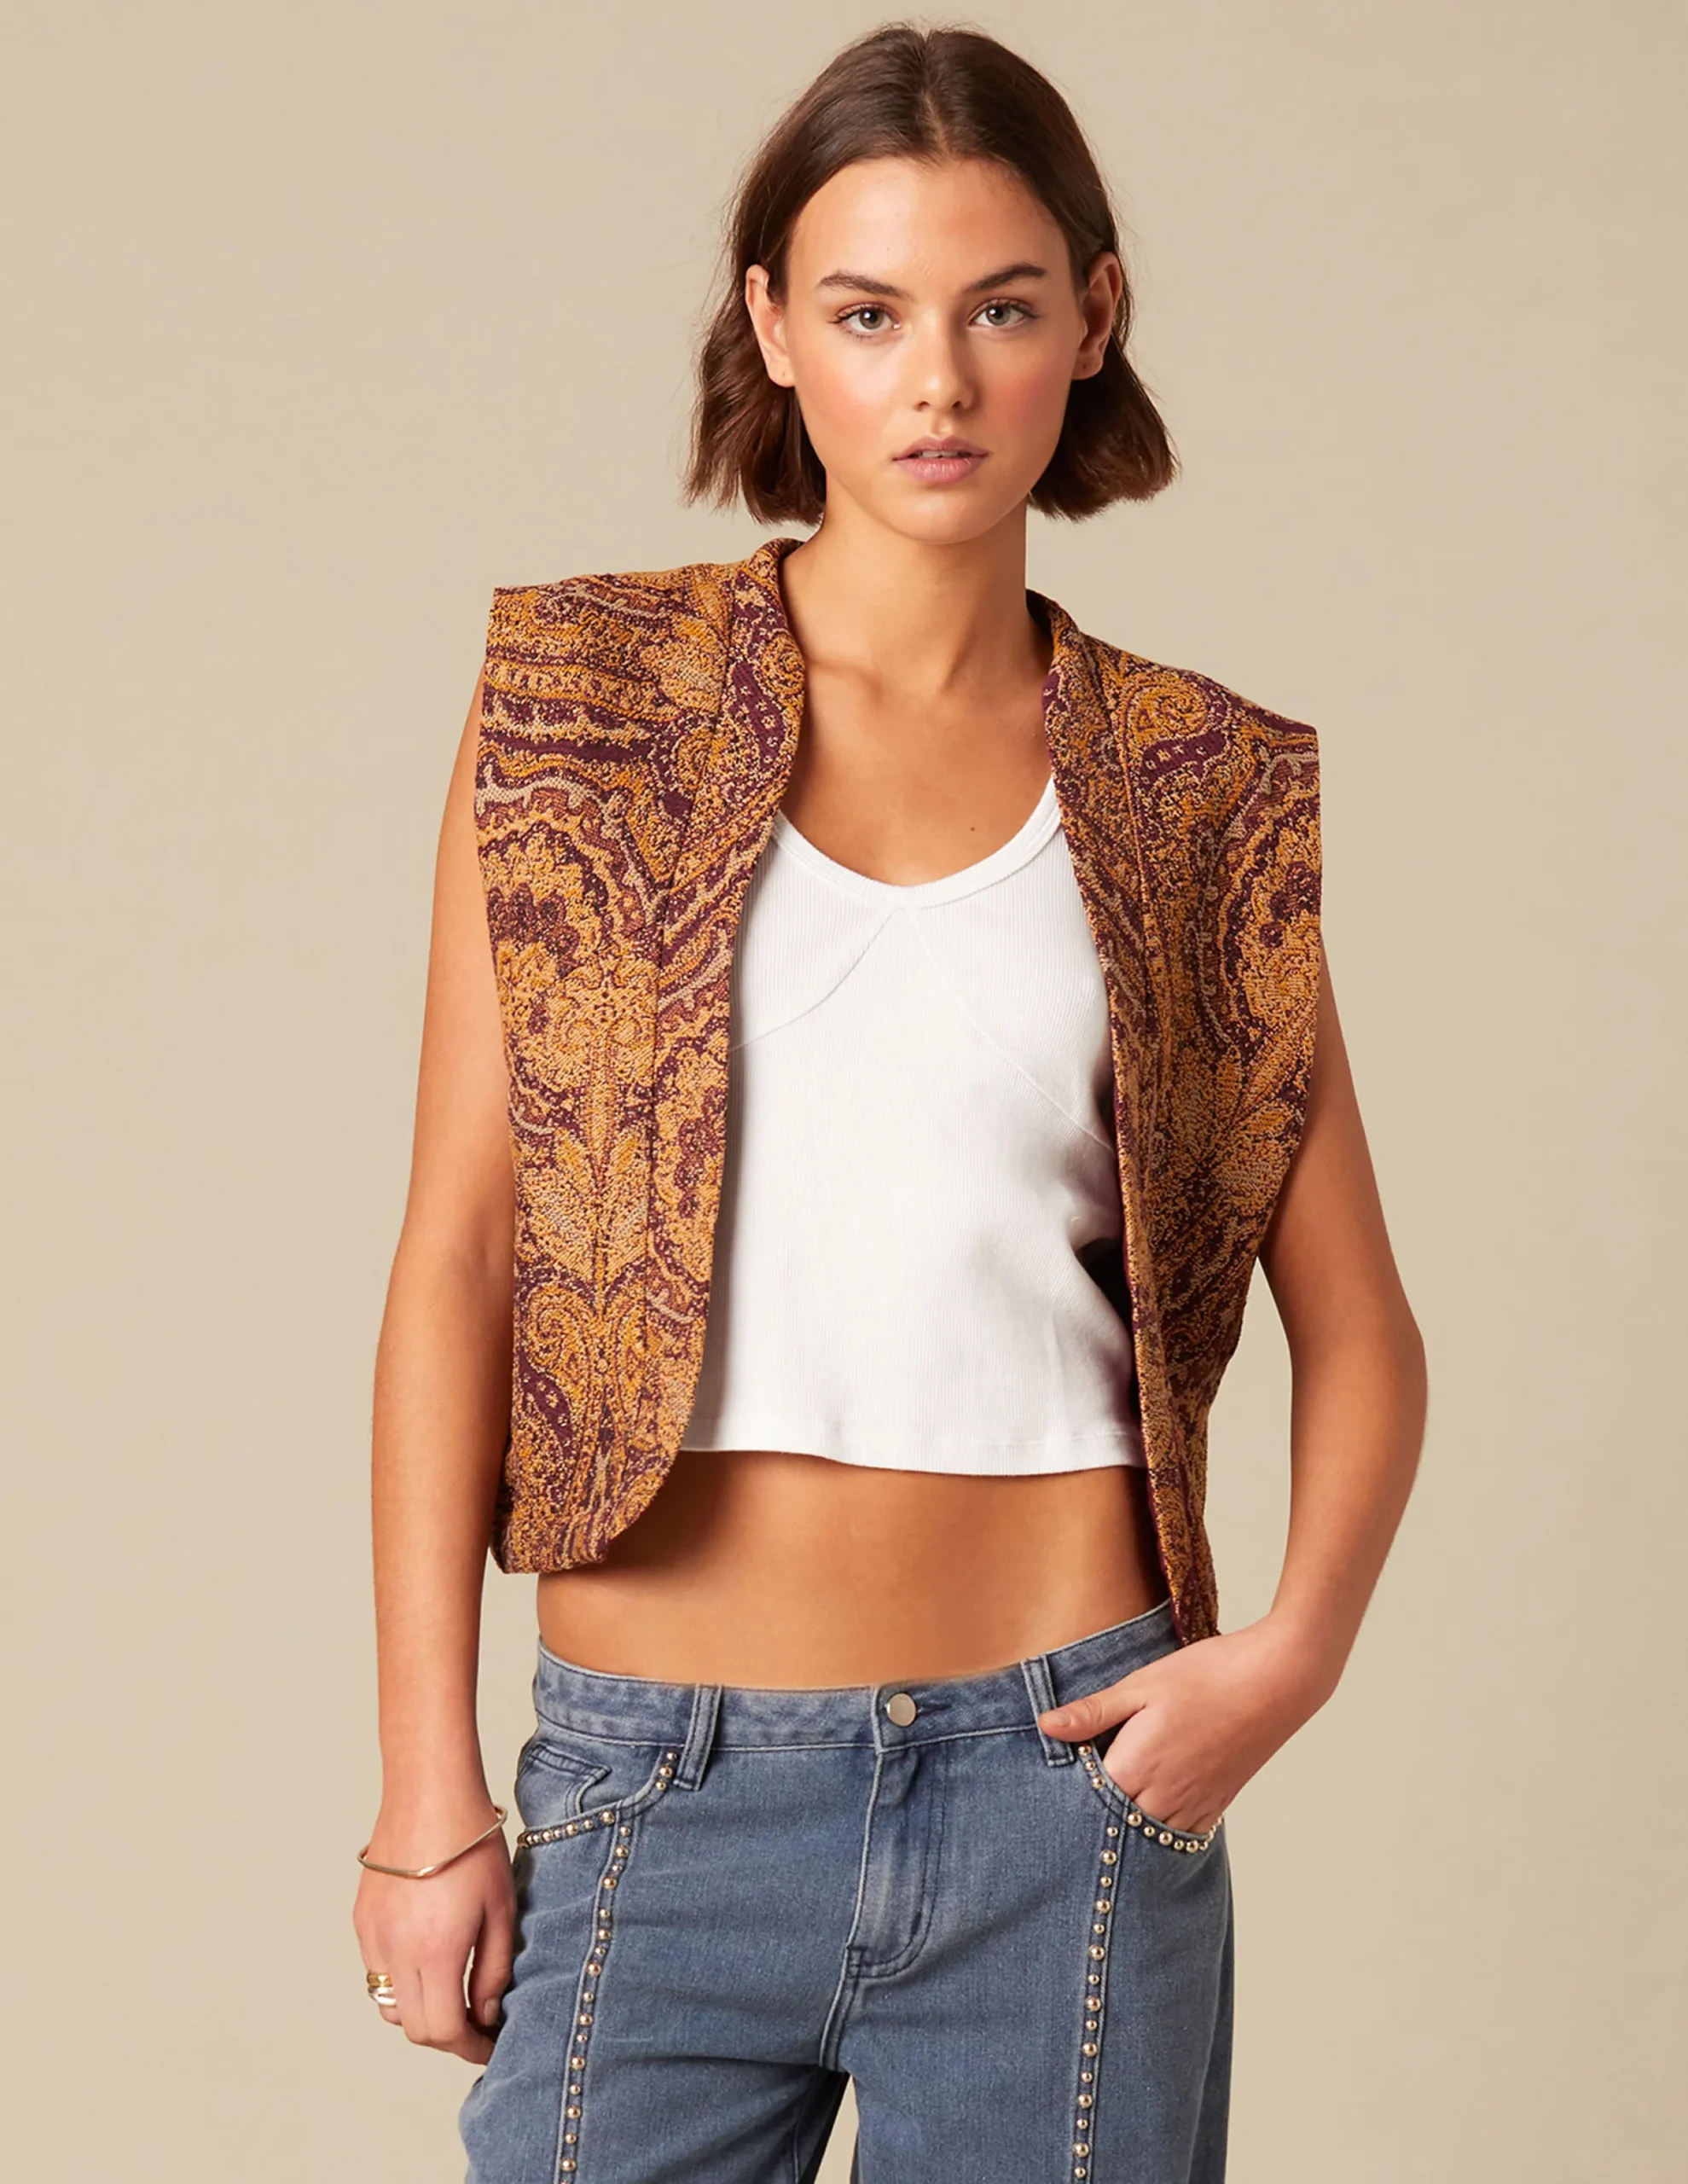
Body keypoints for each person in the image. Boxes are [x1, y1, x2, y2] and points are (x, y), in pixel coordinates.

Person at [352, 22, 1426, 2183]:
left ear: (1090, 320)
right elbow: (458, 1253)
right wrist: (423, 1789)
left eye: (997, 309)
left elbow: (1365, 1328)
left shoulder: (1191, 787)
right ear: (770, 325)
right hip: (650, 1783)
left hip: (1066, 1789)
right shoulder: (580, 715)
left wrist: (1286, 1657)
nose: (935, 382)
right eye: (866, 314)